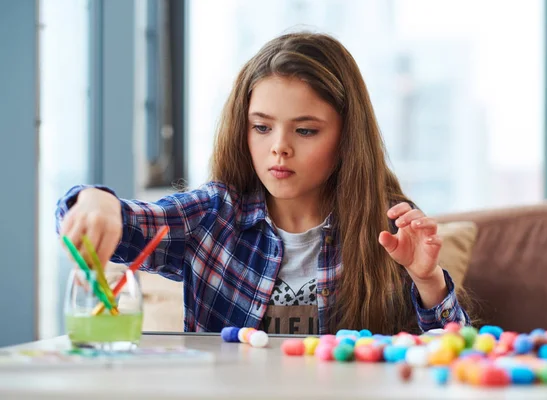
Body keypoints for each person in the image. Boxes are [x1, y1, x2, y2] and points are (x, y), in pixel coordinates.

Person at [56, 32, 470, 336]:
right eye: (261, 127)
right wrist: (94, 202)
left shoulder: (386, 227)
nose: (279, 149)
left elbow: (451, 353)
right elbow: (123, 223)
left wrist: (427, 279)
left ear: (346, 138)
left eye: (305, 131)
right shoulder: (213, 216)